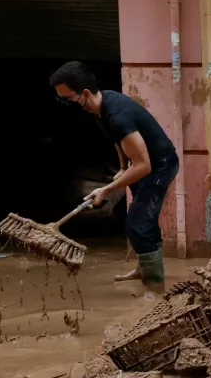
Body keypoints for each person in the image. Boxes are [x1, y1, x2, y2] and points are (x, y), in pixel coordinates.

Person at [49, 61, 178, 293]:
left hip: (160, 166)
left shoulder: (118, 115)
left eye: (67, 99)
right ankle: (144, 268)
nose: (66, 104)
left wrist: (105, 190)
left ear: (85, 93)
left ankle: (155, 287)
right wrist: (122, 166)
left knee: (138, 224)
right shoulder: (102, 107)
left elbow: (144, 166)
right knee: (143, 220)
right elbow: (117, 139)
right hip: (145, 163)